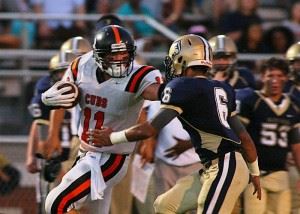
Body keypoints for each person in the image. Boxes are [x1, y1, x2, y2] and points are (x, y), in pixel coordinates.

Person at [89, 34, 261, 213]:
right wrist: (254, 172)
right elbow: (244, 137)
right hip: (216, 166)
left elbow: (148, 130)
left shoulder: (182, 86)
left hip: (226, 165)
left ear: (182, 59)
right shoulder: (223, 88)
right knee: (164, 205)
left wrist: (111, 137)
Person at [41, 25, 163, 214]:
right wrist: (51, 97)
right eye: (112, 56)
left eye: (124, 55)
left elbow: (155, 92)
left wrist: (175, 89)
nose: (119, 60)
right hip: (85, 152)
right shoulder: (81, 66)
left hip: (111, 158)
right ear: (98, 55)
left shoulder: (138, 75)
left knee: (55, 203)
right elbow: (63, 94)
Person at [236, 57, 300, 214]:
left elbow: (296, 144)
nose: (275, 80)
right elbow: (238, 139)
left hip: (281, 175)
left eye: (279, 76)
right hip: (256, 175)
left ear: (286, 77)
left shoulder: (293, 105)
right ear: (262, 76)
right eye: (270, 75)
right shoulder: (251, 101)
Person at [26, 51, 76, 214]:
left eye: (66, 71)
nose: (63, 76)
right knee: (48, 201)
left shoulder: (86, 89)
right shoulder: (46, 91)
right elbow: (39, 124)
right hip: (55, 154)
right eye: (59, 72)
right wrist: (33, 155)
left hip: (79, 153)